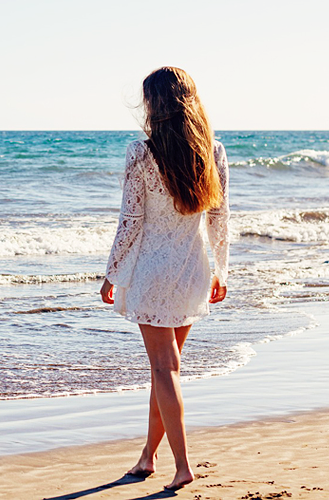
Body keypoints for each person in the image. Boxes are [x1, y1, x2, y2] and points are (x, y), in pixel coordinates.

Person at [99, 66, 229, 491]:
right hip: (193, 270)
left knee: (163, 369)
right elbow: (219, 218)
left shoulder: (141, 153)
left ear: (154, 104)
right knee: (166, 371)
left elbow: (130, 221)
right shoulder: (213, 151)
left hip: (152, 273)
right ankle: (147, 457)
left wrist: (111, 273)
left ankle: (183, 465)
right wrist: (221, 269)